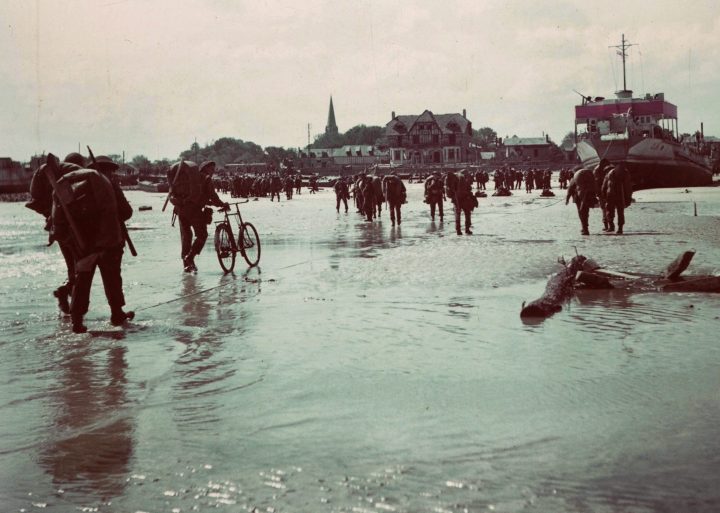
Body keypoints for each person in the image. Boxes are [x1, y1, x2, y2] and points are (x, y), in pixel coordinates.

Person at [52, 156, 134, 333]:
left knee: (83, 280)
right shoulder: (110, 185)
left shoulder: (74, 187)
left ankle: (77, 321)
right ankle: (116, 313)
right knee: (112, 278)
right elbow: (127, 212)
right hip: (109, 240)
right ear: (109, 170)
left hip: (84, 243)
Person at [26, 152, 85, 314]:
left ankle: (67, 295)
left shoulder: (54, 175)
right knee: (80, 266)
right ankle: (68, 295)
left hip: (58, 228)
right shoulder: (73, 173)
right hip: (71, 229)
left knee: (72, 266)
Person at [168, 160, 227, 272]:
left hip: (181, 209)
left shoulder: (192, 180)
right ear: (205, 168)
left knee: (186, 237)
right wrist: (222, 204)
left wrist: (207, 202)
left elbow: (202, 195)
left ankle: (187, 265)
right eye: (212, 169)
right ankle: (190, 258)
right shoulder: (205, 178)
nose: (213, 172)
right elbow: (212, 196)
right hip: (194, 210)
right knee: (202, 235)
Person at [601, 163, 633, 234]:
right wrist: (628, 197)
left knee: (609, 211)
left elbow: (603, 187)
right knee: (620, 212)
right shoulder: (625, 174)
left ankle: (611, 227)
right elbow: (628, 187)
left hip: (610, 195)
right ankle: (620, 228)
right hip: (621, 195)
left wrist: (603, 196)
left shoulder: (608, 176)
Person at [565, 167, 598, 235]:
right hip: (588, 196)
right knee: (585, 212)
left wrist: (567, 199)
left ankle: (585, 229)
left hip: (578, 198)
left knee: (581, 213)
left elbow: (570, 189)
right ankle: (585, 227)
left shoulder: (574, 178)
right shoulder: (587, 178)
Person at [452, 170, 477, 235]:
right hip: (463, 199)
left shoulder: (456, 178)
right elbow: (469, 188)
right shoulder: (463, 180)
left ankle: (459, 230)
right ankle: (466, 229)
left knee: (458, 215)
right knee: (466, 214)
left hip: (457, 199)